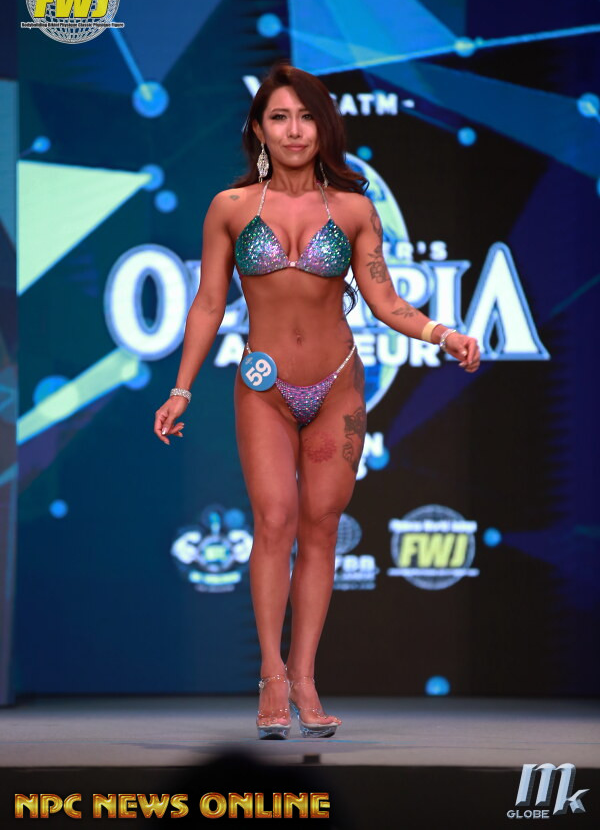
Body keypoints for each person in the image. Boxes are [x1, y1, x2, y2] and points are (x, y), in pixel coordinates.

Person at [153, 61, 481, 740]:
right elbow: (209, 303)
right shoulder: (230, 207)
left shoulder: (354, 209)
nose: (294, 130)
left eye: (306, 117)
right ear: (259, 129)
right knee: (273, 519)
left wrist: (441, 333)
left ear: (323, 127)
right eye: (279, 117)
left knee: (321, 528)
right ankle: (271, 675)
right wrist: (181, 388)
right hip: (264, 385)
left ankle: (304, 677)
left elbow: (384, 299)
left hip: (337, 387)